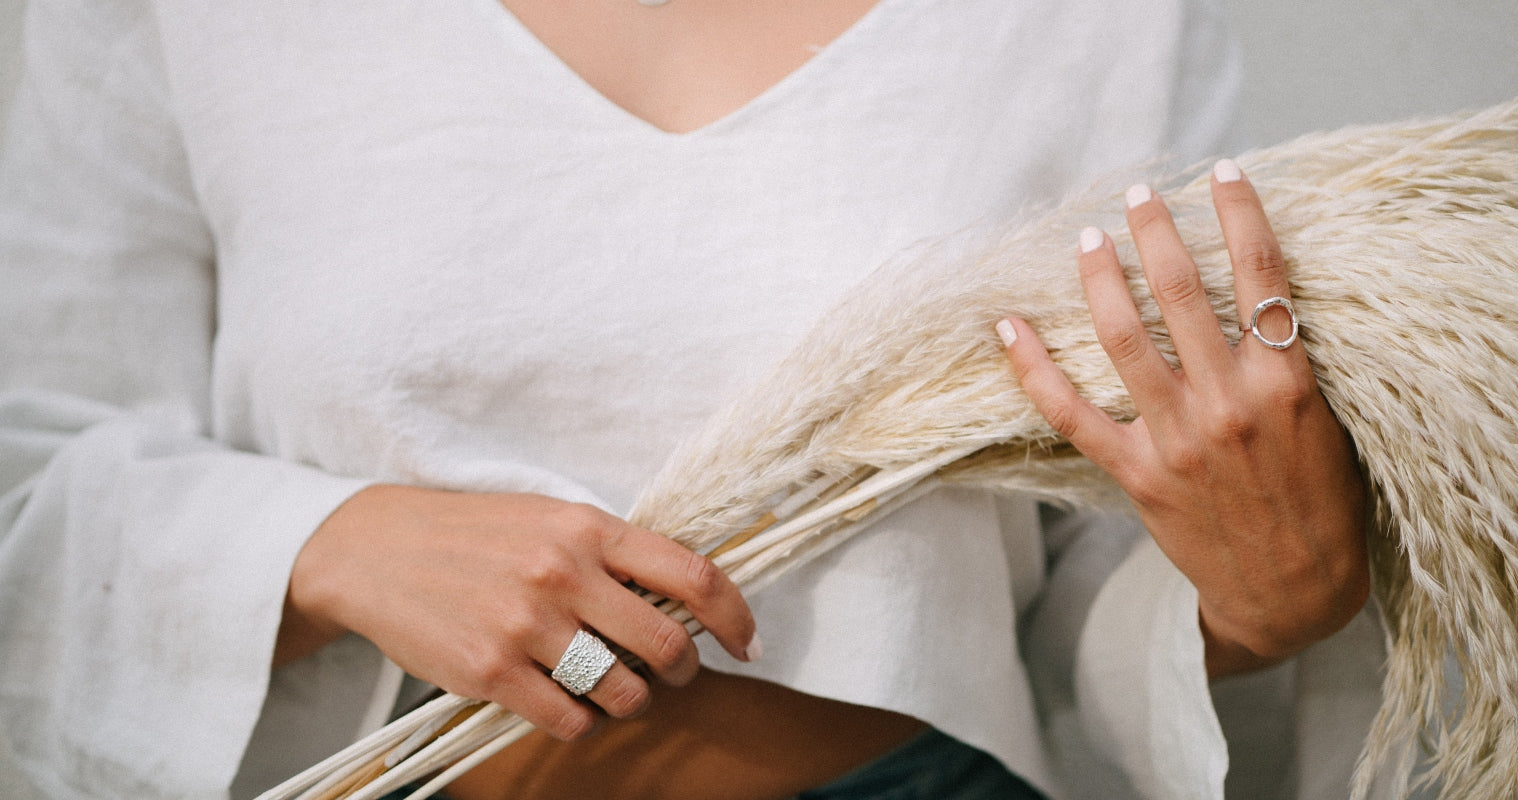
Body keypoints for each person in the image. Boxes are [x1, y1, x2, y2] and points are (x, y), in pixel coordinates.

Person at [0, 1, 1380, 798]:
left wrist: (1254, 604)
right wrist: (327, 545)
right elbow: (29, 461)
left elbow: (1087, 576)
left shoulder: (1095, 22)